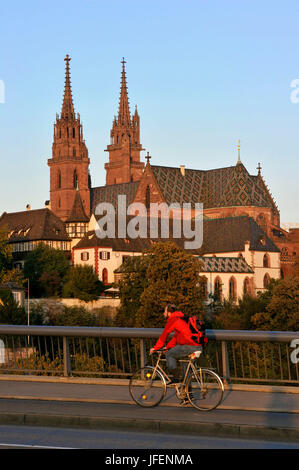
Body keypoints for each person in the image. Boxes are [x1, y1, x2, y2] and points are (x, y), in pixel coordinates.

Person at [149, 304, 202, 386]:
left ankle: (176, 378)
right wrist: (167, 347)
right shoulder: (181, 318)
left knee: (169, 354)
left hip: (189, 346)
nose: (163, 314)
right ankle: (187, 396)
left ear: (169, 312)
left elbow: (164, 335)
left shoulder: (173, 319)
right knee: (186, 371)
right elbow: (176, 337)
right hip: (197, 346)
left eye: (165, 311)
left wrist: (155, 348)